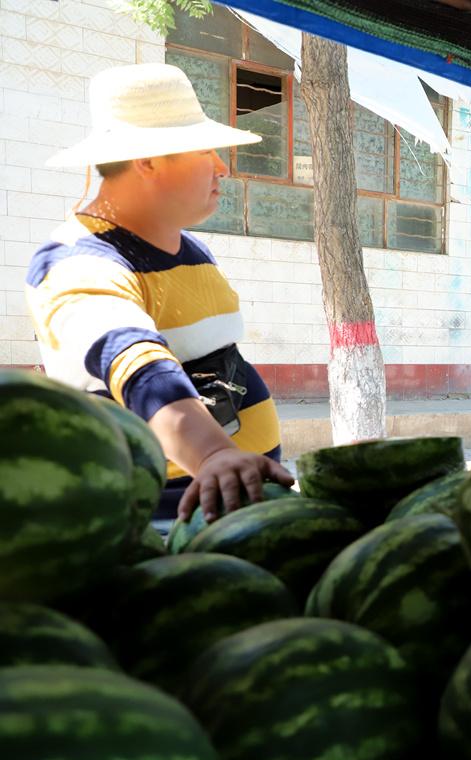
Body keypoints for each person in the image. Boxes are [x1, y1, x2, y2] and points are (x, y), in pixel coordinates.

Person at [26, 63, 292, 525]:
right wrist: (211, 455)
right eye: (203, 150)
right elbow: (136, 362)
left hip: (230, 512)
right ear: (147, 160)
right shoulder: (77, 261)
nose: (222, 167)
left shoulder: (191, 249)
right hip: (161, 523)